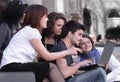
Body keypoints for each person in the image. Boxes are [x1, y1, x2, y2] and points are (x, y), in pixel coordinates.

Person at [0, 5, 81, 82]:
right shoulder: (31, 31)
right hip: (12, 67)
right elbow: (47, 56)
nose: (47, 19)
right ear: (38, 17)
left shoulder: (27, 30)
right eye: (45, 17)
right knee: (52, 67)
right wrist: (69, 51)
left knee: (47, 79)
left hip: (11, 67)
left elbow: (38, 57)